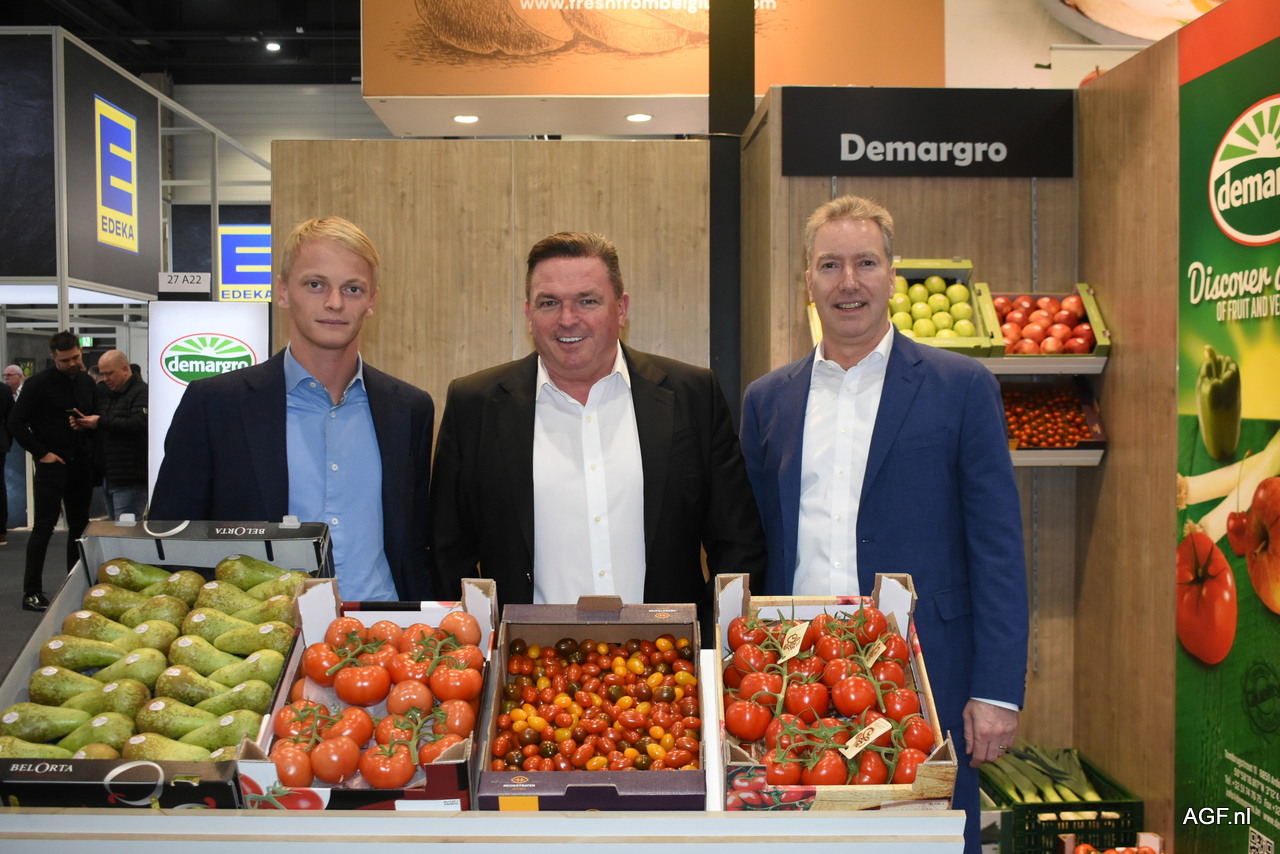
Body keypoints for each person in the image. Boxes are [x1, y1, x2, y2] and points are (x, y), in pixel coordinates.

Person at [738, 196, 1028, 854]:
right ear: (807, 281)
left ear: (892, 275)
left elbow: (999, 549)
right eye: (830, 265)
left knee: (927, 840)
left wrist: (996, 690)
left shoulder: (961, 386)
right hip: (798, 679)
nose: (849, 282)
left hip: (926, 677)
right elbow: (755, 542)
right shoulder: (767, 400)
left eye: (865, 263)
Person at [430, 231, 766, 633]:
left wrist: (708, 642)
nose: (567, 319)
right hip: (525, 661)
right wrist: (478, 647)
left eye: (587, 301)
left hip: (668, 660)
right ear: (529, 314)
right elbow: (447, 553)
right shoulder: (474, 405)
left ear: (621, 309)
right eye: (549, 303)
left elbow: (738, 545)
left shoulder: (693, 395)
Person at [150, 216, 435, 602]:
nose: (334, 302)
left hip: (384, 629)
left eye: (352, 288)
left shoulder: (410, 410)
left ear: (371, 302)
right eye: (315, 284)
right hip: (261, 634)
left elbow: (415, 543)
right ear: (283, 292)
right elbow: (171, 545)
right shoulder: (215, 405)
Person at [8, 332, 98, 611]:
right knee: (43, 528)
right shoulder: (38, 384)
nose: (72, 363)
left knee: (80, 527)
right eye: (65, 360)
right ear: (53, 357)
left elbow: (94, 416)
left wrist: (87, 426)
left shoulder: (86, 382)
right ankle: (32, 592)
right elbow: (16, 422)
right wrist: (42, 453)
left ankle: (76, 588)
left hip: (80, 463)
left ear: (80, 352)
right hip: (51, 465)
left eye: (75, 358)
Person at [71, 350, 148, 520]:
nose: (105, 378)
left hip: (130, 479)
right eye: (103, 374)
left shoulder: (142, 392)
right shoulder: (107, 394)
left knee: (126, 530)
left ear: (125, 369)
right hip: (110, 475)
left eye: (109, 373)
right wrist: (86, 425)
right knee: (116, 529)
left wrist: (100, 422)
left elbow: (140, 424)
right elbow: (106, 428)